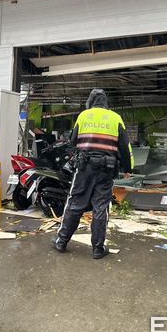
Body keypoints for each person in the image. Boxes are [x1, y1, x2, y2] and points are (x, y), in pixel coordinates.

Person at [53, 89, 134, 259]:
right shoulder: (115, 118)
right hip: (106, 170)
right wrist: (128, 168)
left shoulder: (84, 116)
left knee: (75, 203)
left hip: (84, 168)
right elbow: (125, 147)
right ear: (105, 102)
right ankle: (98, 249)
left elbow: (73, 140)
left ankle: (61, 241)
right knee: (101, 207)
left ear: (90, 101)